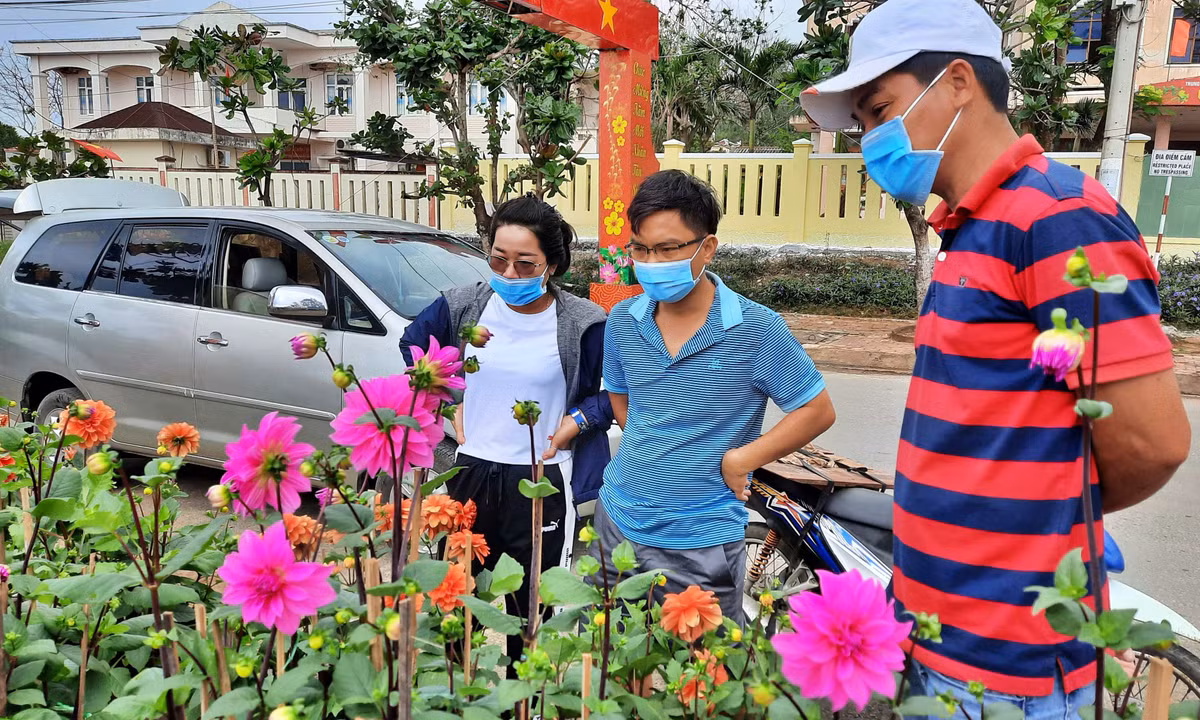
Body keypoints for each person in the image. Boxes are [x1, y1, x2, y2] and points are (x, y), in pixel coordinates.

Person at [801, 0, 1191, 713]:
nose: (870, 141)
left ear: (956, 82)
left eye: (879, 110)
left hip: (1009, 663)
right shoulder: (973, 229)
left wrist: (1037, 526)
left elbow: (1152, 442)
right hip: (939, 637)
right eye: (861, 124)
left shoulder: (1056, 215)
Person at [589, 170, 835, 625]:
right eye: (641, 249)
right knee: (607, 668)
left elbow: (815, 410)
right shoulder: (623, 319)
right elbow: (623, 403)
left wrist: (741, 459)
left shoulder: (756, 328)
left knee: (700, 683)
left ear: (707, 247)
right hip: (617, 520)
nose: (651, 261)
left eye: (668, 248)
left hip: (701, 540)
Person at [399, 194, 612, 675]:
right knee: (456, 599)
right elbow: (414, 345)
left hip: (542, 481)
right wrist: (446, 396)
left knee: (532, 608)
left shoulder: (583, 323)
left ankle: (527, 699)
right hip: (469, 473)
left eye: (524, 263)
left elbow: (611, 393)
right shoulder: (464, 307)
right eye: (498, 259)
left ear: (551, 264)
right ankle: (457, 692)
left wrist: (577, 422)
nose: (509, 274)